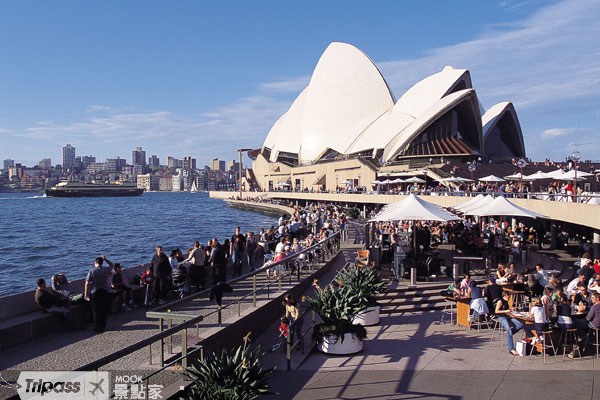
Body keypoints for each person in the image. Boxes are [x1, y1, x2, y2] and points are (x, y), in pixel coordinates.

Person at [84, 255, 114, 333]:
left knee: (96, 310)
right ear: (102, 262)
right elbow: (112, 265)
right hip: (104, 291)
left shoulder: (92, 271)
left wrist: (86, 294)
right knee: (104, 309)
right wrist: (106, 259)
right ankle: (103, 326)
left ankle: (97, 327)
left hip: (95, 292)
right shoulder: (105, 270)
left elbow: (87, 283)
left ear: (95, 262)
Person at [495, 290, 524, 355]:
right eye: (508, 297)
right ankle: (511, 349)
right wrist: (506, 311)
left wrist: (511, 310)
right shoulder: (500, 301)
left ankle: (509, 333)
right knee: (509, 331)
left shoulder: (506, 302)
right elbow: (496, 311)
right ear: (504, 296)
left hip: (507, 316)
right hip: (502, 317)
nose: (509, 298)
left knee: (520, 324)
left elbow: (507, 310)